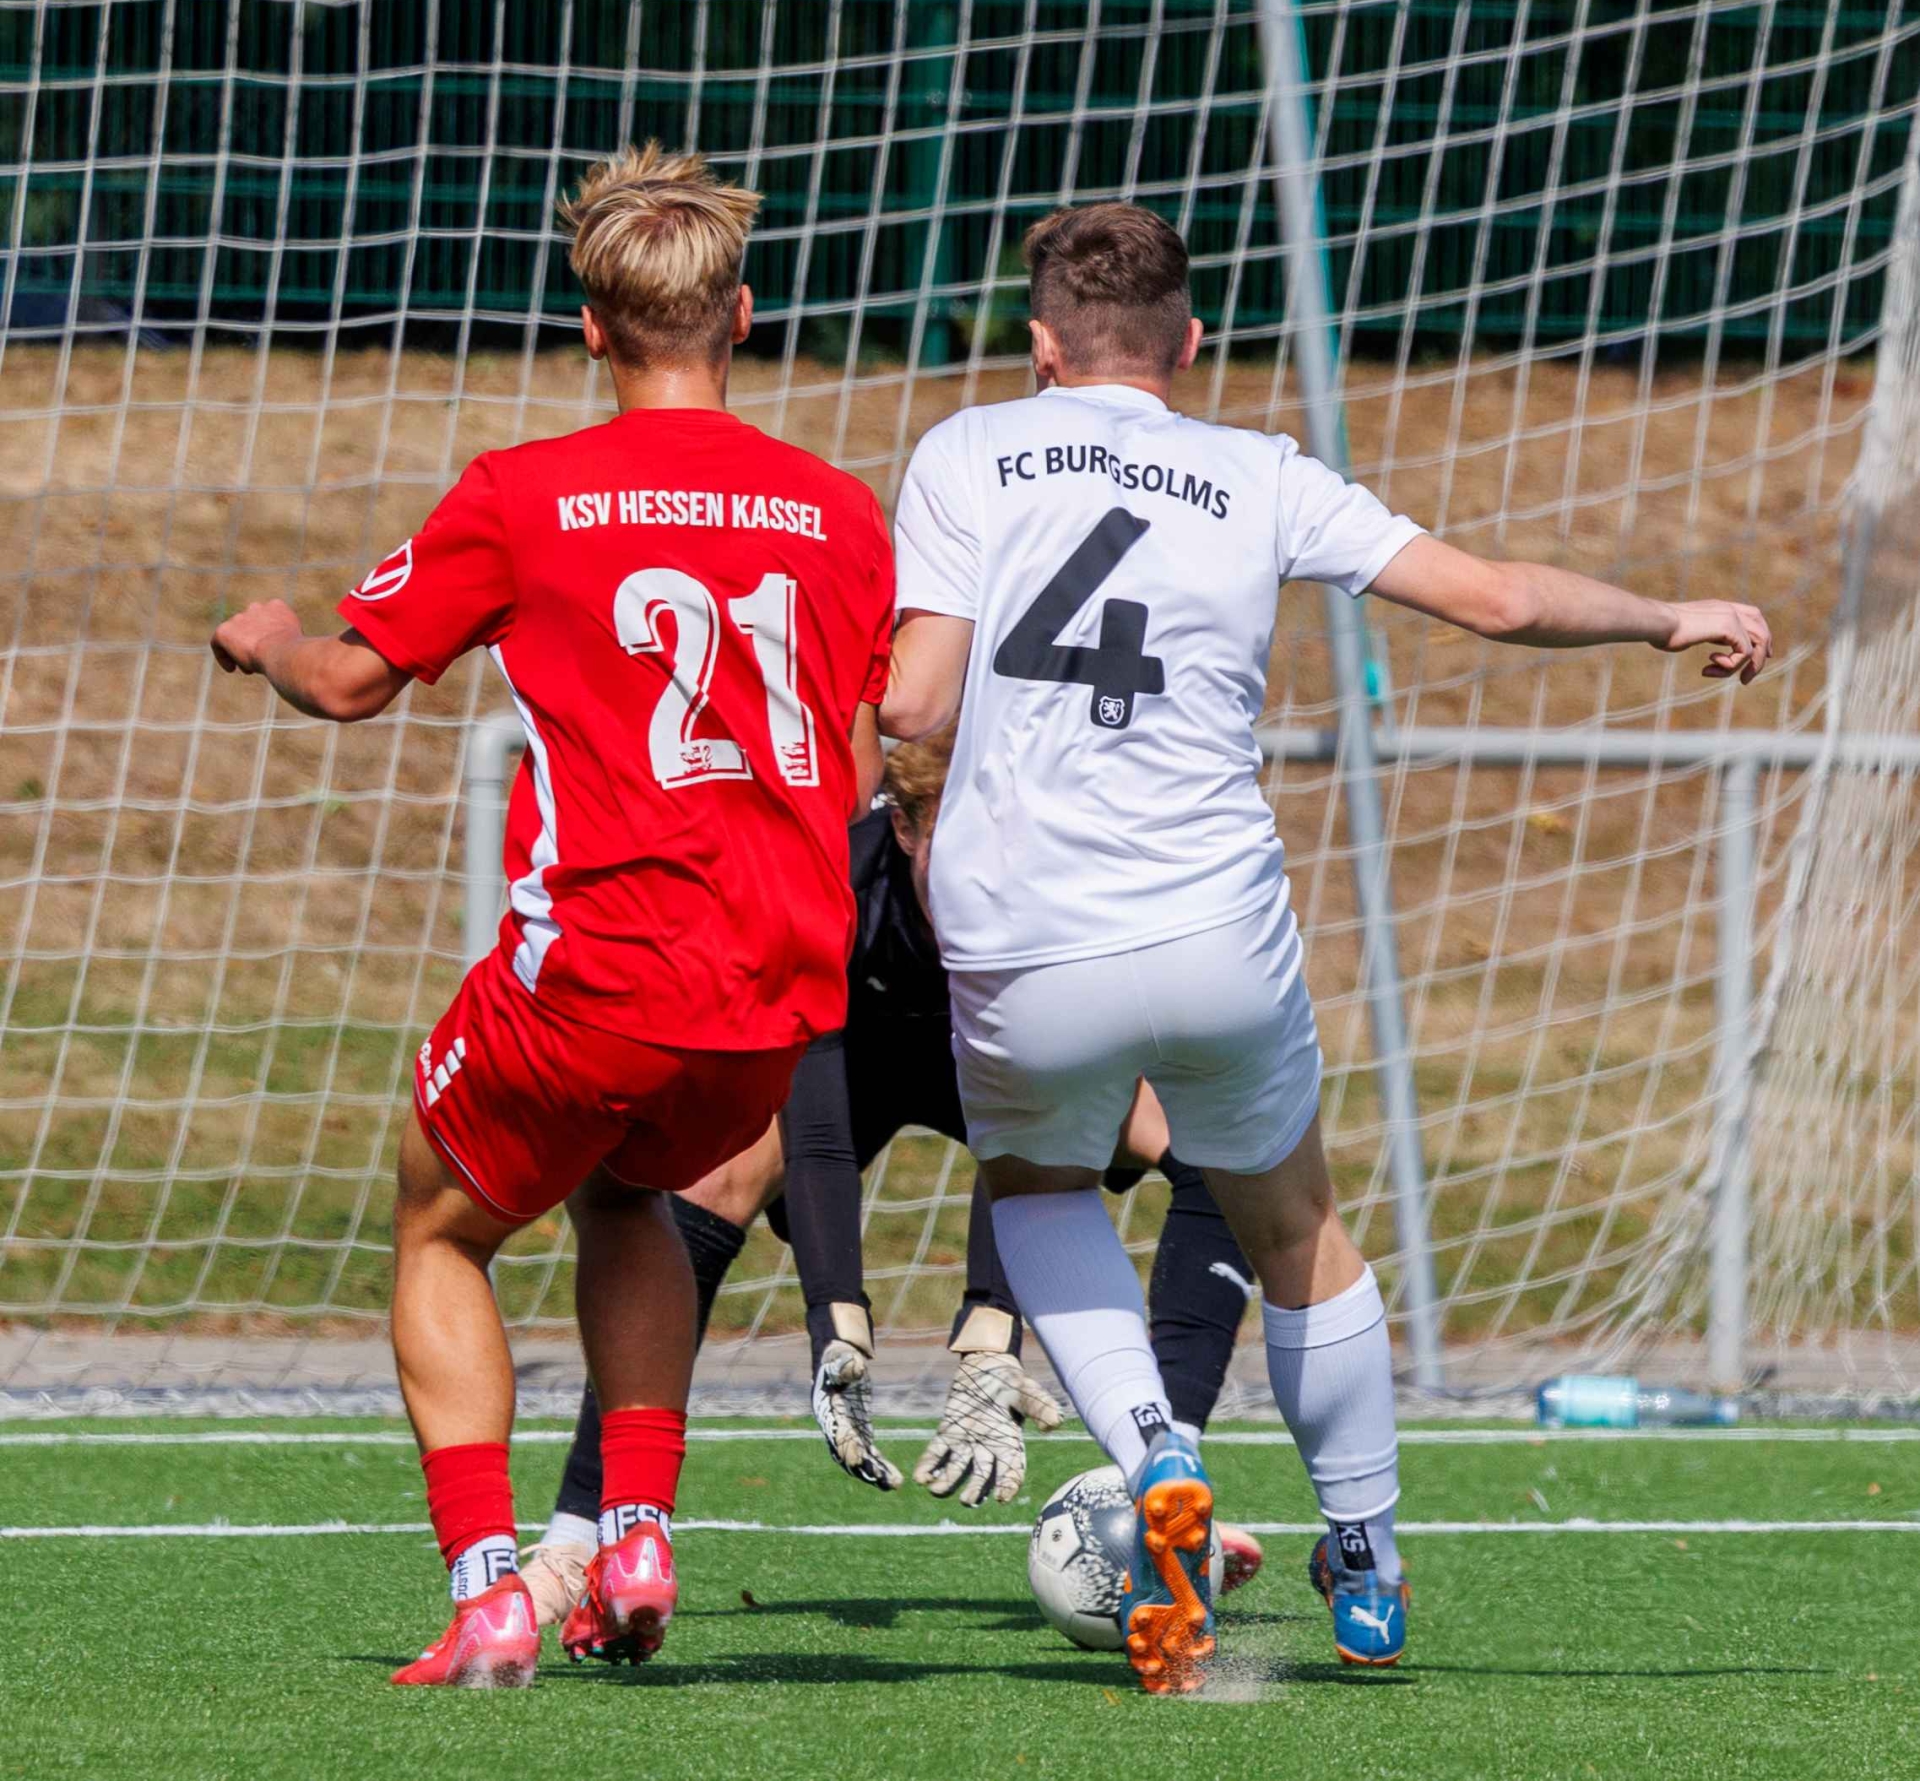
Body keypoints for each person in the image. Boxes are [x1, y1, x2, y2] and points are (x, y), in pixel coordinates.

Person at [880, 201, 1773, 1693]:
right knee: (1295, 1227)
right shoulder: (1259, 472)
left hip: (1024, 931)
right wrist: (1666, 614)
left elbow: (914, 704)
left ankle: (1157, 1455)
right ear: (1189, 342)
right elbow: (1495, 600)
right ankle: (1365, 1559)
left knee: (1036, 1191)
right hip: (1215, 924)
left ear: (1040, 347)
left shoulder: (967, 450)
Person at [210, 144, 895, 1688]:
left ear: (591, 328)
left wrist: (269, 638)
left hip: (598, 973)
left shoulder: (524, 496)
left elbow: (353, 682)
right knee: (627, 1198)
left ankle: (488, 1592)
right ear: (742, 313)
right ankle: (635, 1532)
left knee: (437, 1224)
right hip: (773, 996)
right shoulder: (842, 514)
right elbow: (854, 765)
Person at [518, 735, 1271, 1628]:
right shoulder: (831, 880)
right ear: (907, 828)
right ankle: (582, 1536)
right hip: (849, 1060)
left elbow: (1036, 1131)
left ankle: (1165, 1480)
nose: (981, 875)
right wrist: (834, 1321)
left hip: (1007, 1070)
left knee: (1219, 1157)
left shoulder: (1055, 891)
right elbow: (819, 1132)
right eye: (958, 842)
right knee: (706, 1184)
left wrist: (991, 1327)